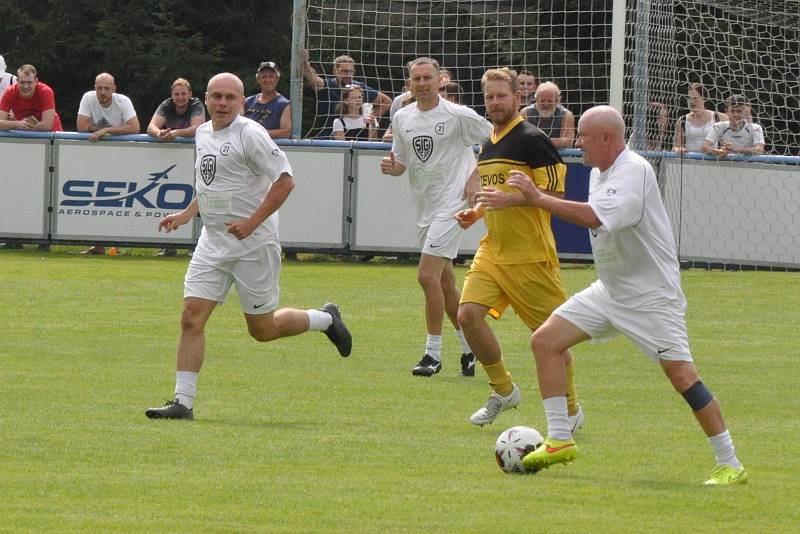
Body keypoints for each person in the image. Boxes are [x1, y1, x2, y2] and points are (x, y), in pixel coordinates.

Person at [509, 105, 746, 486]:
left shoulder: (634, 170)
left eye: (584, 136)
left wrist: (537, 197)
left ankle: (730, 463)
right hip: (610, 291)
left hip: (650, 298)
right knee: (545, 342)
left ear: (606, 138)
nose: (578, 142)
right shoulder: (599, 173)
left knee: (683, 376)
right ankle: (559, 440)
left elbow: (595, 218)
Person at [145, 73, 353, 420]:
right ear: (206, 99)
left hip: (252, 244)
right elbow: (210, 184)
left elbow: (286, 181)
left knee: (262, 330)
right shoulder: (201, 133)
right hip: (212, 242)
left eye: (230, 98)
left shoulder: (251, 135)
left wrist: (252, 222)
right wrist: (186, 214)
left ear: (242, 102)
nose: (222, 104)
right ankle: (183, 403)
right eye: (216, 97)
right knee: (191, 318)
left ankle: (325, 319)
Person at [453, 68, 583, 430]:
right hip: (493, 251)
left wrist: (509, 201)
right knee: (467, 316)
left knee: (552, 339)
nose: (495, 102)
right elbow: (495, 193)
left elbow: (553, 195)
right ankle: (503, 390)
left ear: (517, 98)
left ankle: (571, 410)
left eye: (501, 96)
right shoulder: (490, 142)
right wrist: (476, 211)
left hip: (531, 258)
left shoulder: (532, 139)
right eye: (489, 97)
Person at [380, 57, 492, 378]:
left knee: (426, 277)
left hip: (453, 204)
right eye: (416, 78)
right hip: (424, 206)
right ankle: (470, 351)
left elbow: (495, 139)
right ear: (409, 84)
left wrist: (475, 177)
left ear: (440, 80)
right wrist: (393, 169)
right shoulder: (403, 117)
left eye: (428, 77)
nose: (423, 83)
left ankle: (432, 354)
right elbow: (402, 162)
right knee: (444, 282)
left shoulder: (457, 115)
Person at [77, 72, 141, 255]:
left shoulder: (123, 101)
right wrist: (114, 131)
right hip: (96, 157)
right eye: (99, 88)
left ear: (114, 89)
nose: (103, 92)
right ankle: (98, 245)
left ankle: (117, 245)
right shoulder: (88, 98)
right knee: (97, 202)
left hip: (122, 157)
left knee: (119, 201)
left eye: (107, 88)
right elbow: (81, 125)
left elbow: (135, 127)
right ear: (94, 88)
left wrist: (105, 130)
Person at [146, 77, 206, 257]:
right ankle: (170, 244)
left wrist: (176, 132)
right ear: (172, 95)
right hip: (174, 160)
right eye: (176, 94)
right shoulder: (166, 105)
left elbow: (198, 128)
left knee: (198, 197)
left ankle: (195, 246)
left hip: (197, 156)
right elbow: (151, 127)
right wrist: (160, 133)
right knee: (173, 199)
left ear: (190, 94)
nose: (180, 97)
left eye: (183, 94)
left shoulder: (197, 105)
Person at [302, 50, 391, 138]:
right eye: (344, 71)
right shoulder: (327, 85)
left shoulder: (358, 87)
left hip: (355, 139)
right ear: (335, 71)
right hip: (327, 139)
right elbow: (313, 79)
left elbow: (386, 101)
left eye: (351, 72)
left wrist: (371, 118)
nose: (348, 75)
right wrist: (305, 63)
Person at [0, 64, 63, 132]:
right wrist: (17, 124)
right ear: (17, 81)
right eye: (22, 82)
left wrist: (21, 125)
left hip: (51, 135)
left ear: (36, 81)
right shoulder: (10, 92)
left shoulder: (45, 91)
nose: (26, 86)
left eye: (29, 82)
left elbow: (47, 125)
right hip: (25, 134)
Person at [672, 82, 728, 154]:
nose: (692, 101)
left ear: (703, 98)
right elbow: (675, 147)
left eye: (695, 98)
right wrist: (679, 149)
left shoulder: (719, 117)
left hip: (713, 160)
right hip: (690, 161)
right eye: (689, 98)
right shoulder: (682, 120)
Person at [242, 61, 291, 139]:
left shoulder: (284, 105)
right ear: (258, 79)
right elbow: (236, 125)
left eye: (271, 76)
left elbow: (286, 132)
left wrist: (257, 133)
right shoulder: (247, 101)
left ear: (277, 79)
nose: (267, 80)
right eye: (264, 77)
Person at [522, 81, 575, 149]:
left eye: (550, 101)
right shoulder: (525, 113)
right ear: (536, 100)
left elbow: (568, 143)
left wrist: (536, 141)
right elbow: (522, 140)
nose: (546, 104)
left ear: (557, 101)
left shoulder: (566, 115)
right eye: (542, 101)